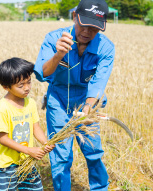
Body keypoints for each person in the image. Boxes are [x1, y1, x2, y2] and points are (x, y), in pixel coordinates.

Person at [34, 0, 115, 190]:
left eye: (94, 29)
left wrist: (87, 109)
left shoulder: (106, 47)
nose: (87, 32)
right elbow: (43, 73)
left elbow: (99, 82)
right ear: (74, 17)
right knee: (61, 155)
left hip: (88, 99)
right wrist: (58, 55)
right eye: (83, 25)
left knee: (93, 150)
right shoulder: (53, 38)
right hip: (59, 99)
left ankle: (100, 187)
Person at [0, 57, 55, 191]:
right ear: (5, 87)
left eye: (29, 82)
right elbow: (3, 139)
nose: (27, 88)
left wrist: (45, 142)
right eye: (21, 85)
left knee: (36, 188)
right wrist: (29, 150)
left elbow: (35, 127)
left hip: (26, 160)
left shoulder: (29, 102)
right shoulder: (3, 108)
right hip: (8, 164)